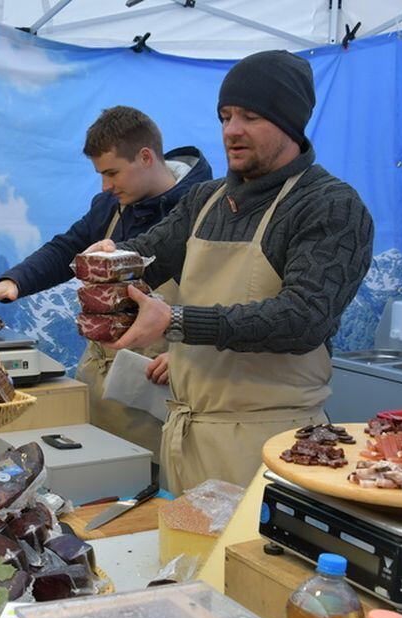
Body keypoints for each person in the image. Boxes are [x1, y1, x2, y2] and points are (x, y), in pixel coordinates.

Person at [89, 51, 374, 495]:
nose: (232, 130)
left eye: (251, 116)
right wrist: (113, 259)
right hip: (187, 440)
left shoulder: (330, 206)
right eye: (225, 116)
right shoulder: (205, 199)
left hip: (274, 448)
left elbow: (303, 319)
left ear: (291, 123)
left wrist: (177, 322)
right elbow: (149, 253)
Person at [0, 106, 211, 472]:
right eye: (100, 175)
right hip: (102, 389)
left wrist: (192, 357)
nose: (105, 186)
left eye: (112, 172)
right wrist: (14, 282)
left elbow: (224, 296)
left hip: (165, 390)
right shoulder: (110, 206)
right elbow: (67, 248)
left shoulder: (206, 208)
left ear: (145, 157)